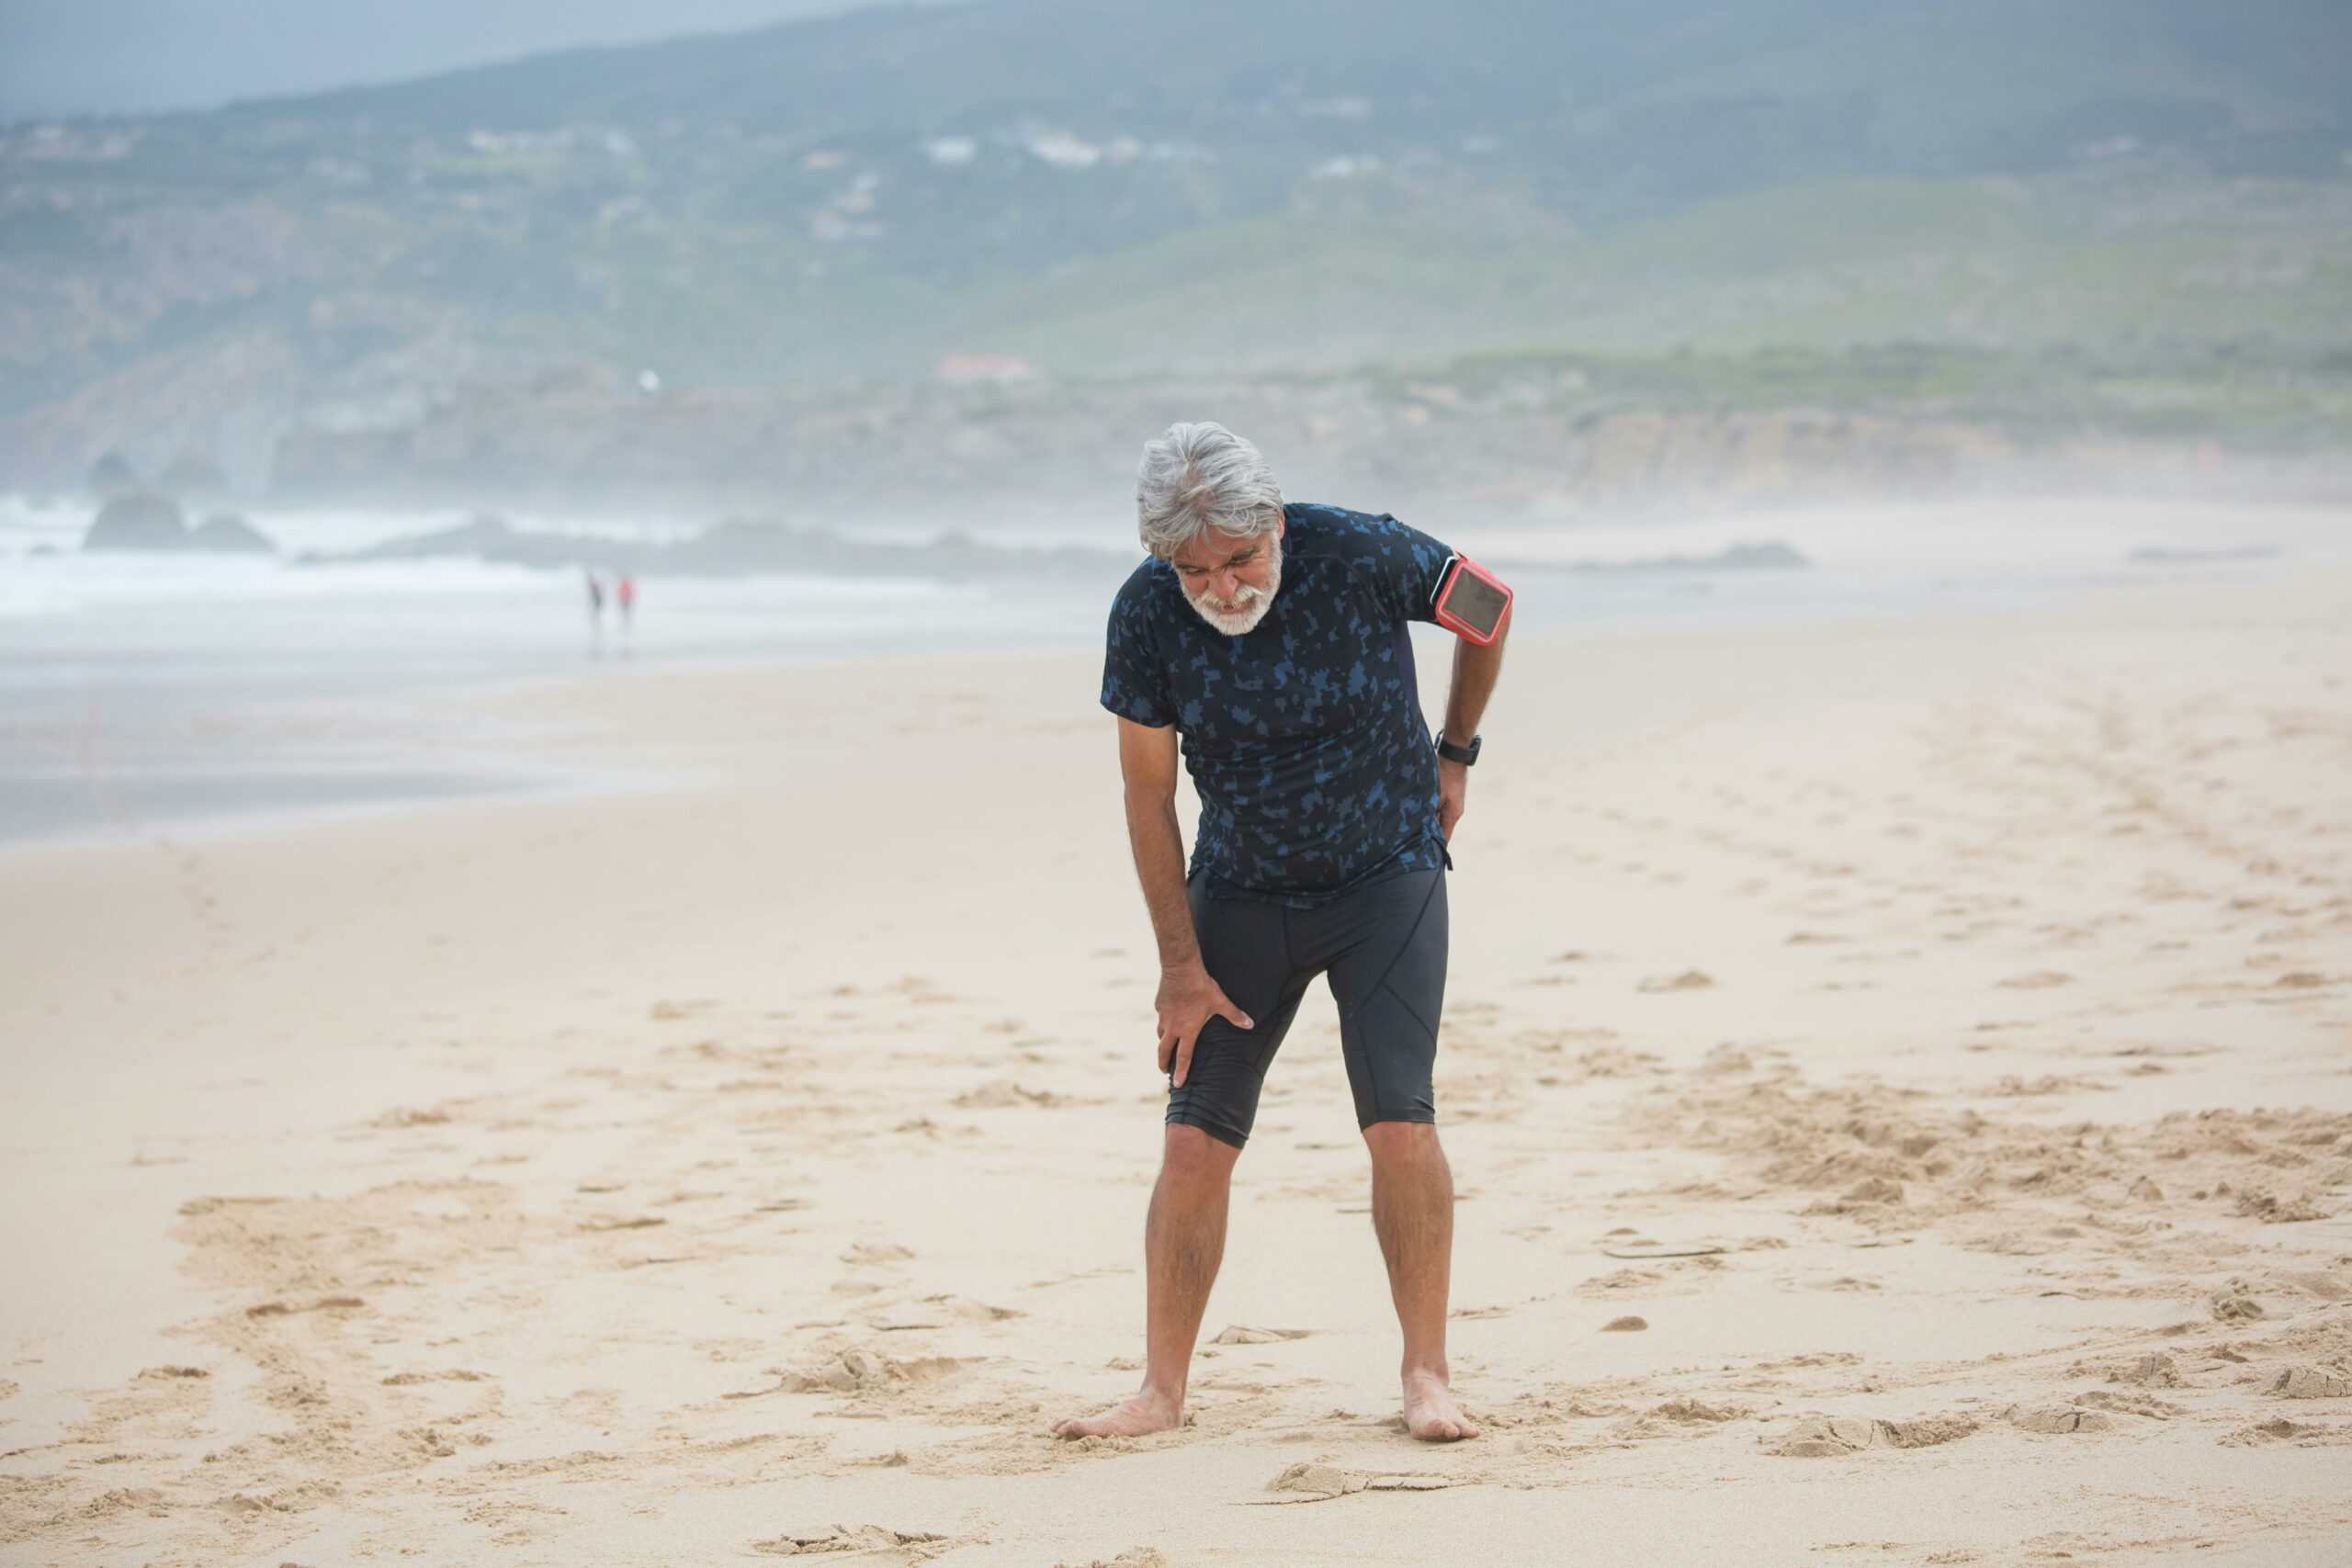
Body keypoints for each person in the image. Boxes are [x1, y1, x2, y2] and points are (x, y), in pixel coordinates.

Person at [1053, 422, 1511, 1444]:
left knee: (1399, 1125)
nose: (1221, 586)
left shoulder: (1358, 551)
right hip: (1243, 896)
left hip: (1383, 878)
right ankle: (1160, 1392)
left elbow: (1489, 606)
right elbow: (1145, 795)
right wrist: (1178, 965)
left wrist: (1456, 753)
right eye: (1194, 569)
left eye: (1240, 558)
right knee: (1189, 1147)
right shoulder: (1144, 615)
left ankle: (1427, 1377)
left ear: (1276, 523)